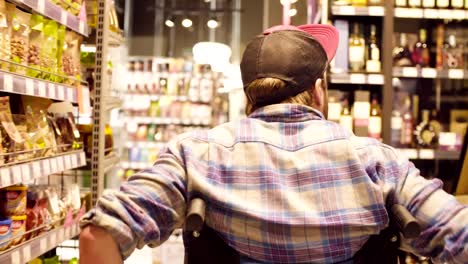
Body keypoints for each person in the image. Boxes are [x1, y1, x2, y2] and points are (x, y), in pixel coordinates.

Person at [79, 24, 468, 264]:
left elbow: (98, 236)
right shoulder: (378, 161)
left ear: (250, 97)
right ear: (318, 92)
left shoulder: (195, 154)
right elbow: (459, 238)